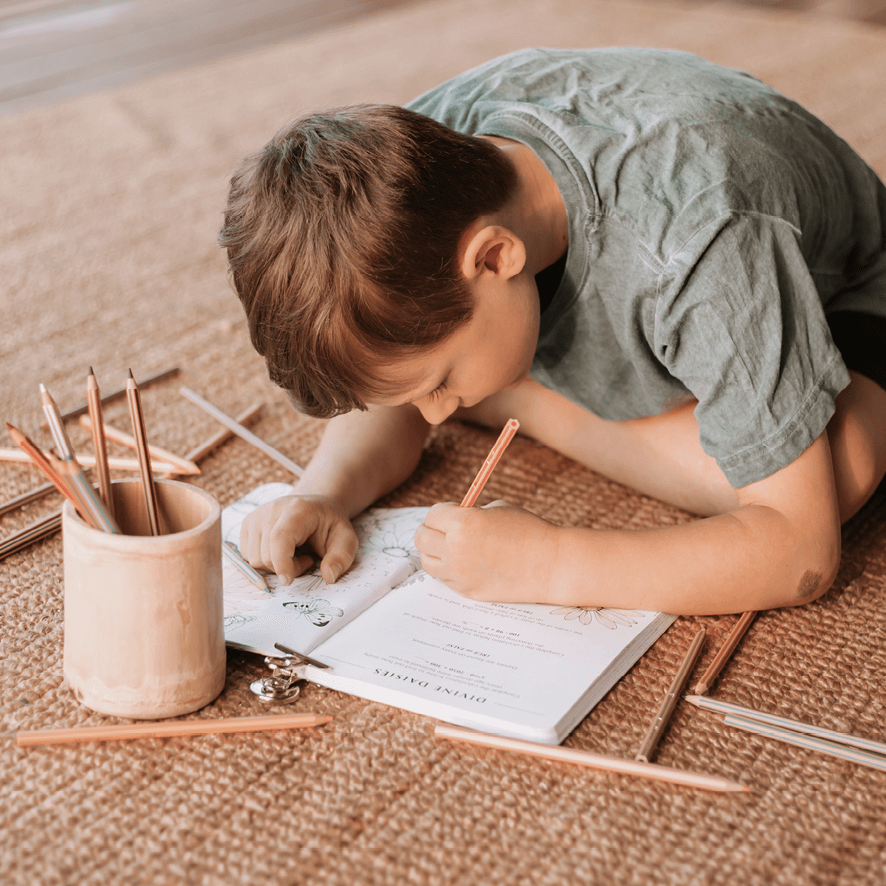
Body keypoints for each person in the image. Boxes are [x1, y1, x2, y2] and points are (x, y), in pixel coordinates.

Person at [219, 47, 886, 616]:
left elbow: (801, 551)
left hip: (852, 284)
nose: (432, 415)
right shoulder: (419, 168)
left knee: (842, 473)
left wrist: (553, 564)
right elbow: (394, 371)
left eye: (443, 385)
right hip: (673, 235)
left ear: (494, 257)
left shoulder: (702, 245)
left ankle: (523, 397)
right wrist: (322, 491)